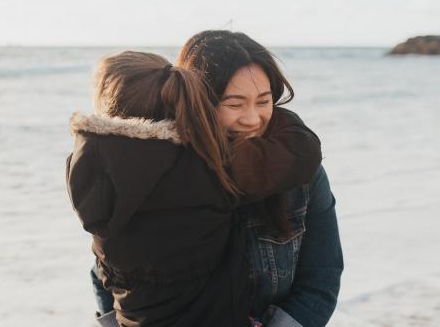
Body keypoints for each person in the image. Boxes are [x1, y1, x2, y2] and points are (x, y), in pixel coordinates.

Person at [67, 50, 323, 326]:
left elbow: (101, 272)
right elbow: (300, 152)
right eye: (234, 104)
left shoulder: (83, 169)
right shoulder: (203, 169)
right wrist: (276, 115)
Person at [176, 30, 344, 326]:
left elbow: (321, 278)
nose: (252, 119)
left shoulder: (301, 171)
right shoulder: (162, 167)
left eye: (263, 101)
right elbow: (114, 276)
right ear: (198, 103)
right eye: (234, 104)